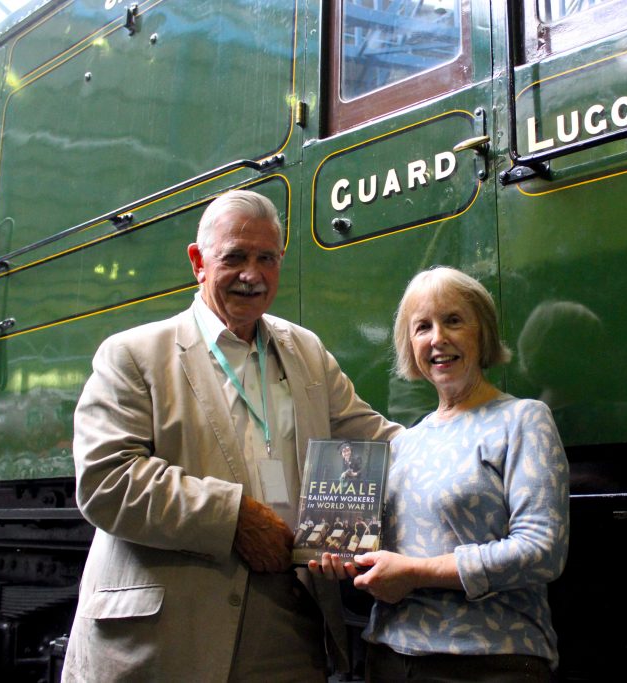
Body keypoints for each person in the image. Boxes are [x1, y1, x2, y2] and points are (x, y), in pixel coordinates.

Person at [63, 190, 401, 682]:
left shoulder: (305, 351)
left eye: (267, 258)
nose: (253, 274)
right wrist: (235, 516)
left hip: (287, 620)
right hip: (166, 635)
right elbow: (107, 482)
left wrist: (469, 441)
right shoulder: (132, 354)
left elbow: (372, 439)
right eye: (235, 257)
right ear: (199, 262)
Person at [312, 266, 570, 682]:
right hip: (388, 656)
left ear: (481, 332)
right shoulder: (402, 445)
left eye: (453, 320)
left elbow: (542, 551)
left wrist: (415, 573)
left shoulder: (522, 420)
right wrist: (341, 560)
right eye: (422, 327)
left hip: (489, 662)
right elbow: (383, 557)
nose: (437, 339)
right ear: (409, 345)